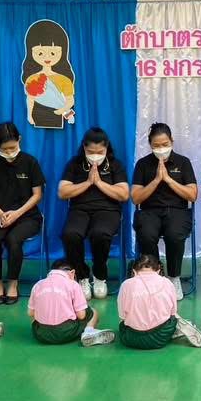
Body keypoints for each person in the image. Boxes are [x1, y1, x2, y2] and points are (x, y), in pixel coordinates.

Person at [58, 127, 129, 300]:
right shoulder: (75, 164)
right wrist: (88, 182)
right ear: (84, 147)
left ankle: (99, 275)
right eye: (91, 152)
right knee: (70, 234)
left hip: (108, 211)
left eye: (100, 152)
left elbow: (124, 194)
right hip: (79, 210)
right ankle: (82, 276)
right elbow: (62, 192)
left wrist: (99, 183)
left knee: (100, 234)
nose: (95, 155)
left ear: (106, 148)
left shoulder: (115, 165)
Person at [131, 123, 198, 300]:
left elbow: (192, 195)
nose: (161, 149)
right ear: (150, 144)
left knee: (174, 235)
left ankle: (174, 277)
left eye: (165, 144)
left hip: (178, 211)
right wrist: (156, 180)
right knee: (146, 234)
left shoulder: (183, 162)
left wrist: (168, 180)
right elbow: (136, 198)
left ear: (172, 141)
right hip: (149, 211)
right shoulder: (143, 164)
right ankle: (154, 276)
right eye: (156, 145)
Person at [0, 122, 45, 305]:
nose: (9, 152)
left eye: (13, 147)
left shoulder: (30, 162)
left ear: (19, 140)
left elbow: (37, 195)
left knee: (13, 239)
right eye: (4, 149)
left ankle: (12, 283)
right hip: (0, 215)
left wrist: (17, 213)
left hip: (27, 216)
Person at [116, 254, 201, 349]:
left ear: (134, 271)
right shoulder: (167, 283)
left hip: (131, 339)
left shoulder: (126, 285)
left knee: (123, 324)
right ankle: (177, 329)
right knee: (173, 318)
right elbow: (172, 313)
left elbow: (122, 316)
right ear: (158, 270)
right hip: (161, 338)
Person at [28, 259, 116, 347]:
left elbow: (30, 313)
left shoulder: (38, 285)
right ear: (72, 272)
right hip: (66, 333)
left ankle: (45, 329)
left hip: (41, 335)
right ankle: (88, 331)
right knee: (92, 312)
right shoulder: (73, 285)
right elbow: (81, 315)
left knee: (35, 318)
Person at [22, 19, 76, 129]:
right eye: (40, 53)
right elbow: (30, 99)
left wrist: (61, 110)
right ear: (31, 52)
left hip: (57, 116)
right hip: (38, 116)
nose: (47, 57)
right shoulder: (32, 79)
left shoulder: (64, 79)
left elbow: (70, 100)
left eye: (53, 53)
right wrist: (29, 115)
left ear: (62, 52)